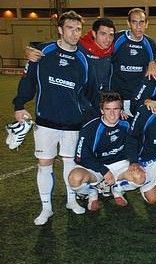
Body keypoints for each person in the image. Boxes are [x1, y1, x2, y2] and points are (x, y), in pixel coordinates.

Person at [12, 11, 91, 225]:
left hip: (72, 122)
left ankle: (71, 201)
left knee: (70, 164)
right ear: (60, 29)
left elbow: (83, 91)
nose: (75, 33)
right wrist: (19, 105)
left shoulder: (82, 58)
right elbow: (28, 82)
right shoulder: (42, 53)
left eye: (78, 29)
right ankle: (46, 208)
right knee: (44, 164)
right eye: (70, 28)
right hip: (45, 120)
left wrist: (86, 112)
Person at [24, 17, 116, 117]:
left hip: (103, 104)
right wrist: (29, 50)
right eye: (103, 34)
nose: (108, 39)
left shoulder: (115, 49)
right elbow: (57, 46)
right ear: (94, 33)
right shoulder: (79, 47)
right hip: (79, 105)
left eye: (111, 35)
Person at [69, 92, 145, 211]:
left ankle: (117, 188)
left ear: (121, 110)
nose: (112, 113)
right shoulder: (90, 128)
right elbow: (80, 156)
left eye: (116, 109)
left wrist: (134, 161)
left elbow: (135, 143)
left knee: (140, 177)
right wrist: (104, 170)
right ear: (102, 110)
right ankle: (92, 192)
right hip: (96, 167)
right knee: (75, 179)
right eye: (108, 109)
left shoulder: (127, 123)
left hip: (119, 165)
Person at [111, 8, 156, 116]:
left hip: (138, 99)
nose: (138, 26)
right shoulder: (117, 39)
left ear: (146, 24)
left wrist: (153, 62)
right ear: (128, 23)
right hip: (117, 99)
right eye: (134, 22)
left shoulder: (150, 44)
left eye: (141, 22)